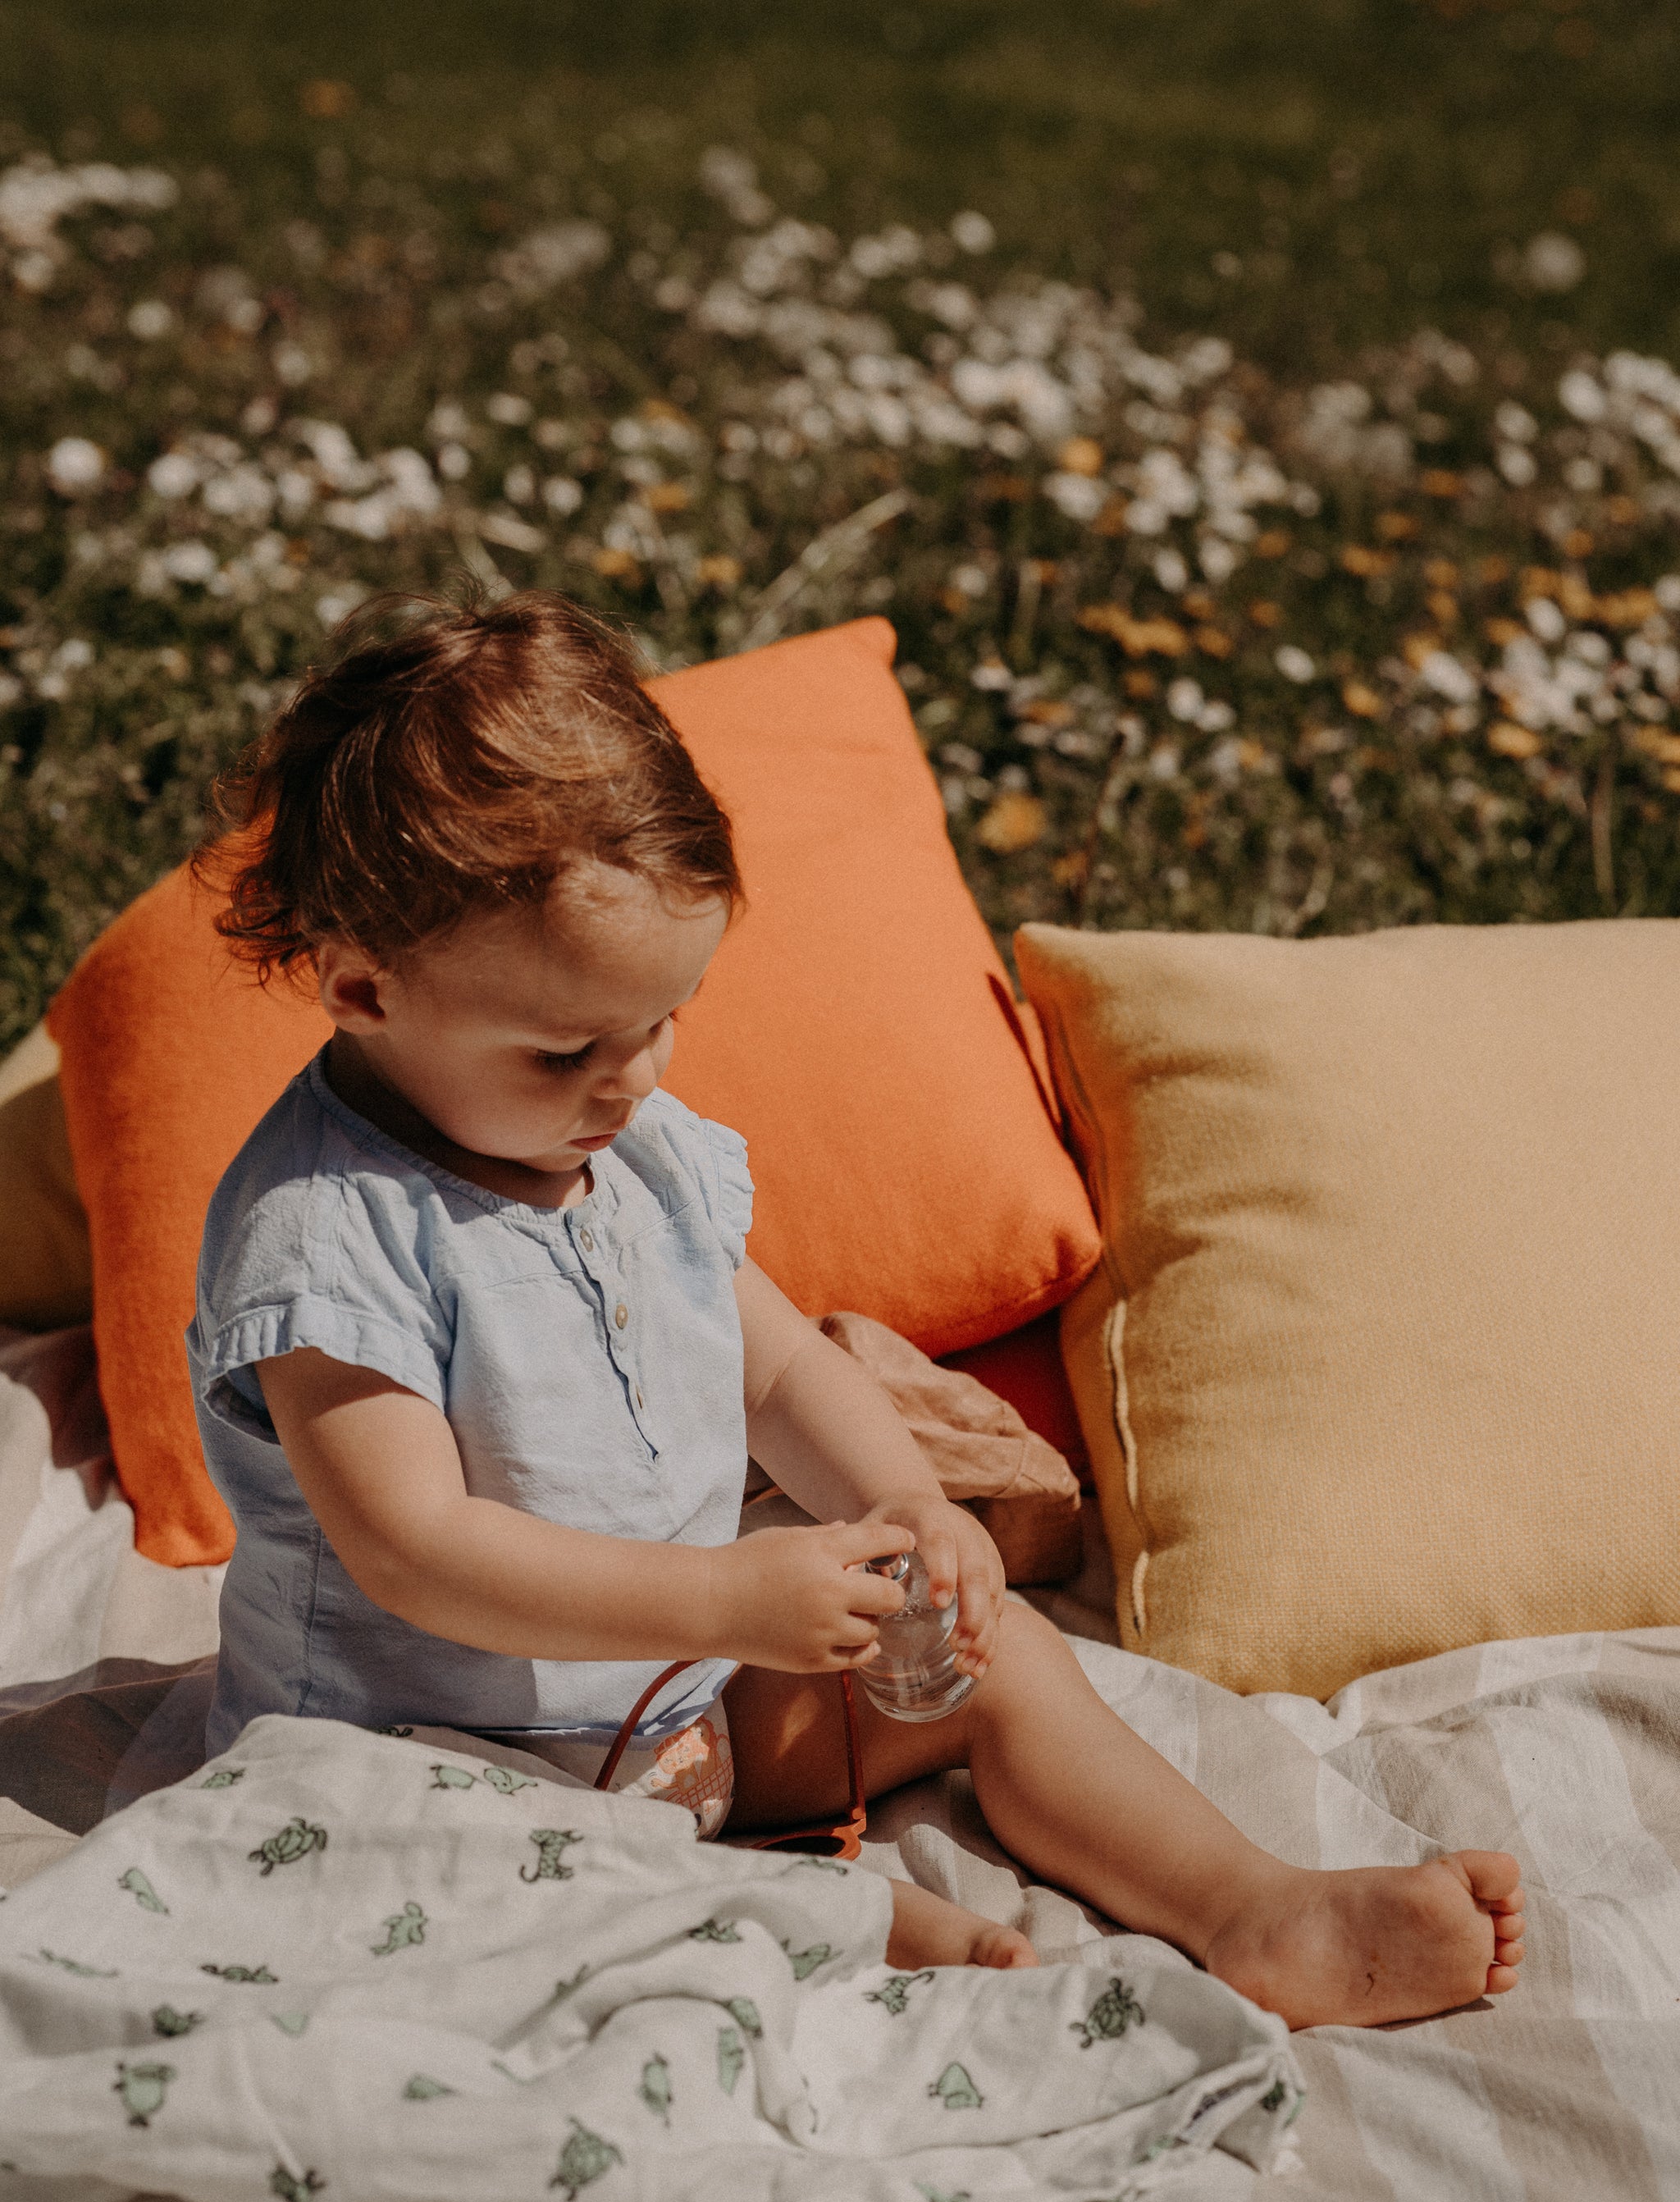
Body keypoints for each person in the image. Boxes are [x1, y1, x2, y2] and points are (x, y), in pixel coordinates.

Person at [188, 591, 1524, 2027]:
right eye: (569, 1047)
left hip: (687, 1715)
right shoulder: (327, 1237)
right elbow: (416, 1553)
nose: (632, 1080)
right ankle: (814, 1924)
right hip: (437, 1769)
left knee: (996, 1660)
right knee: (443, 1905)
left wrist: (905, 1506)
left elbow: (769, 1367)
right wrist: (724, 1595)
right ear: (360, 985)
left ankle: (1254, 1910)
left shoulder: (627, 1146)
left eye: (662, 1022)